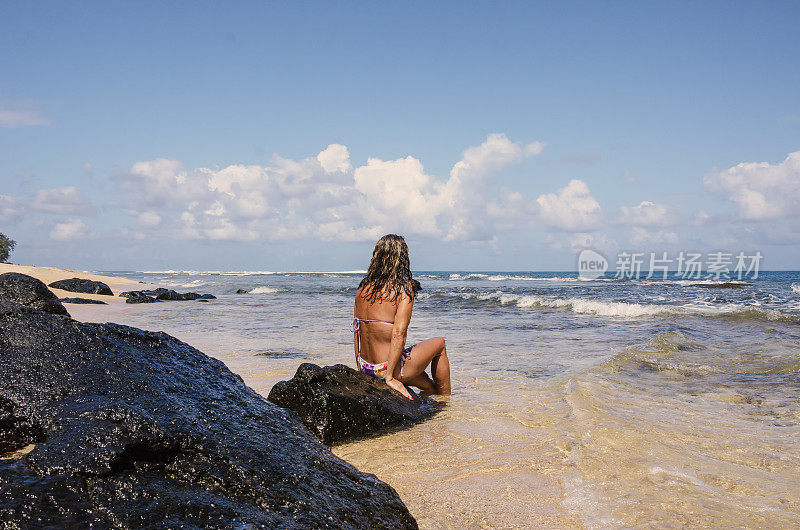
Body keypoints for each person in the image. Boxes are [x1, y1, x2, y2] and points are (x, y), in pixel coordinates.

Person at [352, 234, 451, 400]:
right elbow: (399, 333)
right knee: (440, 343)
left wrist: (360, 369)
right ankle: (448, 401)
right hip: (388, 369)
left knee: (428, 385)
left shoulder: (362, 289)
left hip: (367, 367)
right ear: (402, 258)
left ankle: (435, 396)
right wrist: (389, 378)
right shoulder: (403, 290)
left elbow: (356, 330)